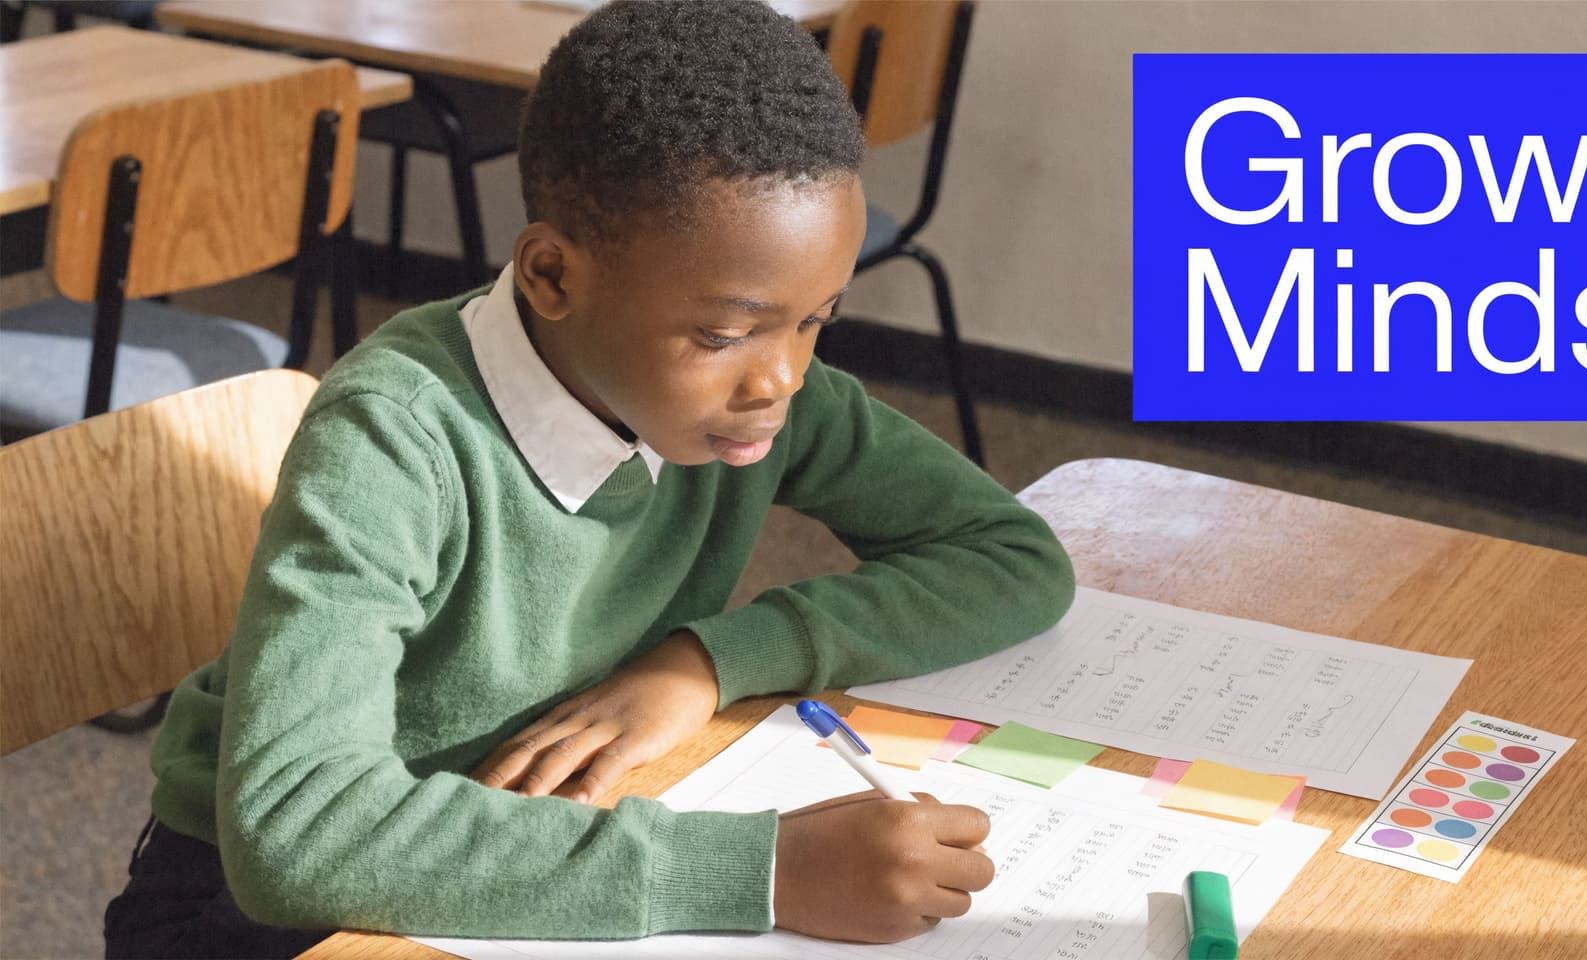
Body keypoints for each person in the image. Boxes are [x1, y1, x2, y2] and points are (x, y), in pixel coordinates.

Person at [102, 2, 1075, 956]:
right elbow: (298, 834)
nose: (780, 377)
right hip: (270, 914)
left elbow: (1013, 558)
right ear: (552, 277)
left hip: (528, 845)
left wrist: (703, 663)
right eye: (725, 334)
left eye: (815, 318)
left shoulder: (763, 393)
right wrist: (765, 871)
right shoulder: (396, 436)